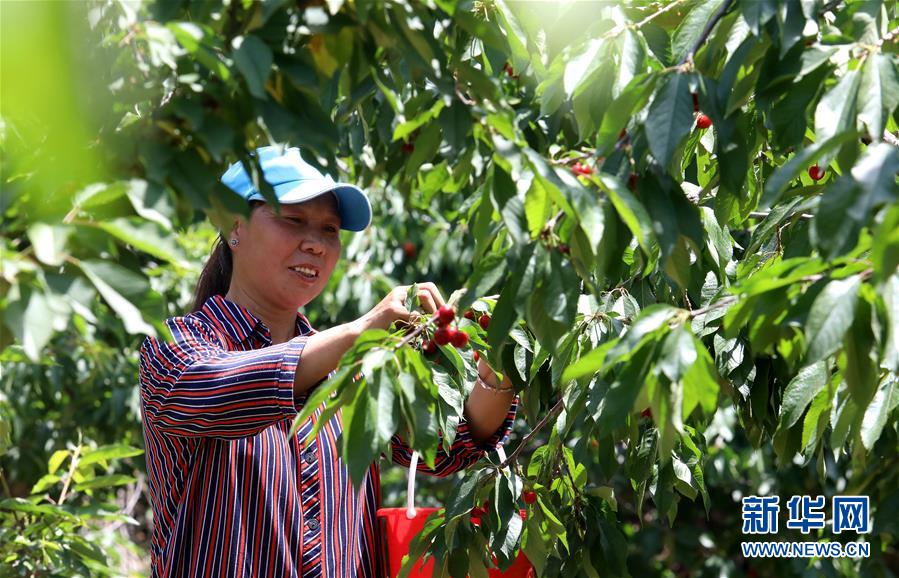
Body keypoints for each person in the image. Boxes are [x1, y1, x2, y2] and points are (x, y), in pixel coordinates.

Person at [138, 146, 518, 578]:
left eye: (330, 229)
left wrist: (500, 370)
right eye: (293, 220)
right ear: (234, 226)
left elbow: (442, 448)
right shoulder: (176, 346)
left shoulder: (351, 367)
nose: (316, 244)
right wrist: (364, 329)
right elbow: (218, 390)